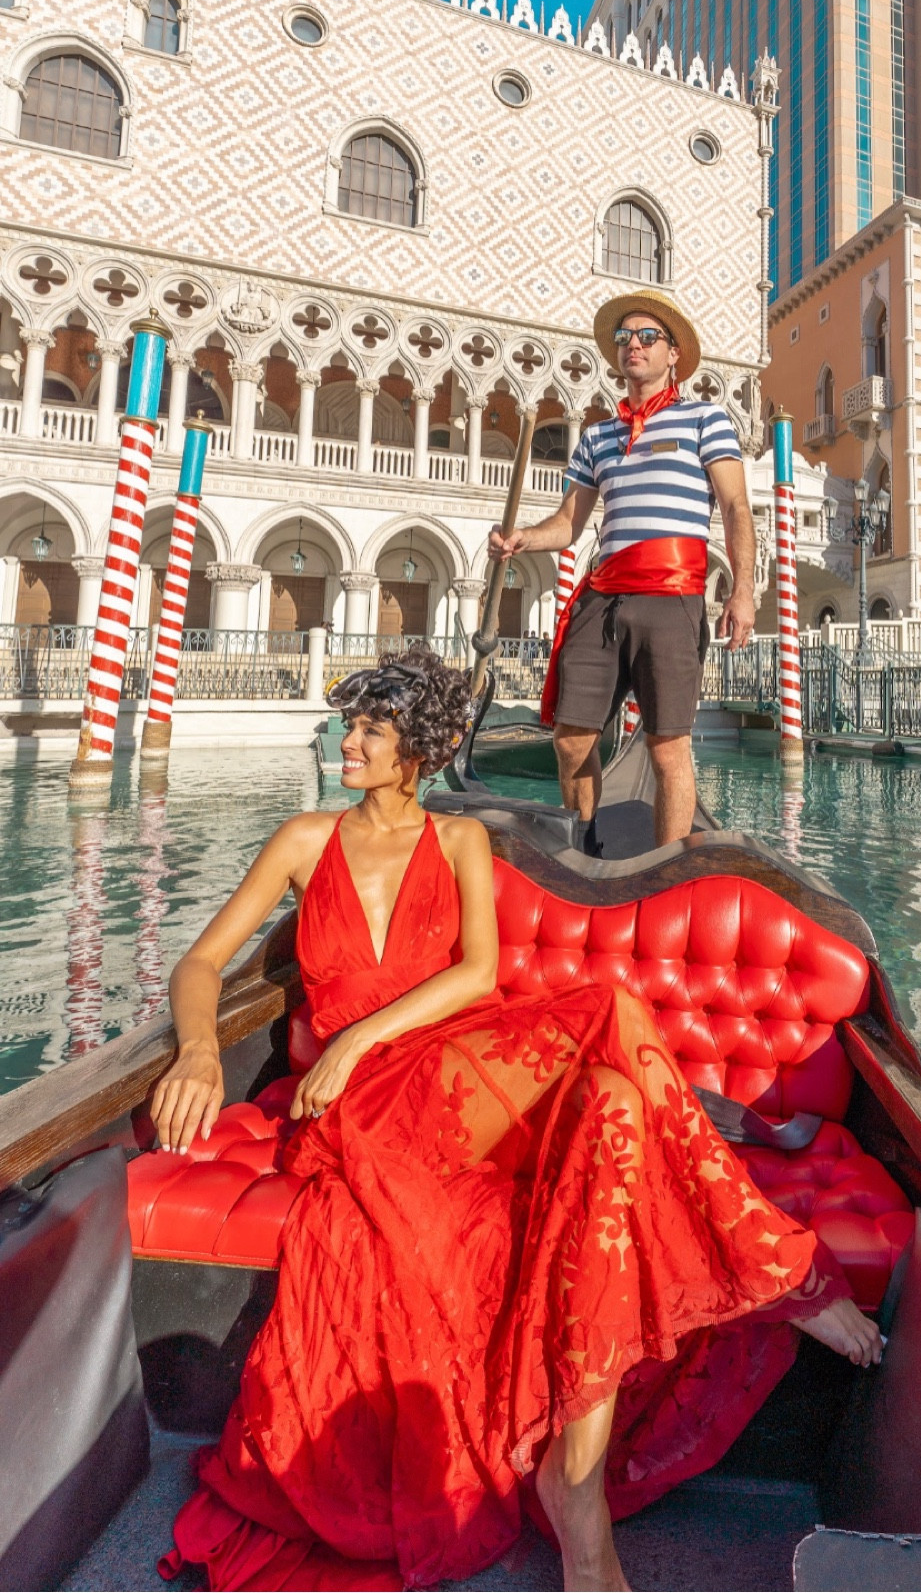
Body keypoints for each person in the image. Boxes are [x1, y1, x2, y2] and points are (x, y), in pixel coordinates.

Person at [149, 646, 879, 1592]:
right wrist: (204, 1049)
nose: (351, 740)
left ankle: (578, 1497)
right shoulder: (302, 838)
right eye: (352, 725)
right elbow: (201, 963)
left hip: (437, 1068)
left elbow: (478, 977)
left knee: (616, 1098)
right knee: (614, 1036)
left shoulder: (458, 842)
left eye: (372, 728)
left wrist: (353, 1040)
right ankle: (777, 1274)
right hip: (360, 1110)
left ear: (415, 751)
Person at [489, 291, 756, 846]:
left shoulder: (706, 419)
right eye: (623, 338)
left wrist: (743, 592)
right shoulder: (597, 437)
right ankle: (586, 843)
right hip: (603, 598)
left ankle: (666, 867)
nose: (632, 345)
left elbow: (734, 507)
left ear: (673, 354)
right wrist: (524, 539)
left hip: (672, 597)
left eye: (646, 337)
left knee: (667, 746)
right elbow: (569, 521)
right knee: (570, 740)